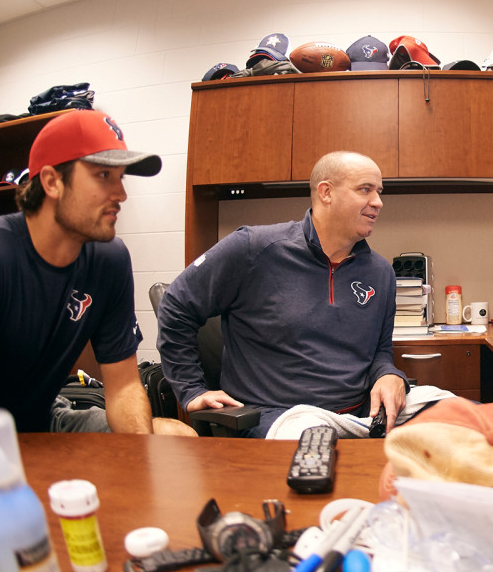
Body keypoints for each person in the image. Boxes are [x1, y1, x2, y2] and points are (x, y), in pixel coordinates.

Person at [0, 110, 193, 436]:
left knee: (175, 438)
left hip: (44, 418)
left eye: (120, 177)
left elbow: (123, 387)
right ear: (52, 181)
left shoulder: (109, 259)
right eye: (103, 176)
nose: (121, 194)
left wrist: (138, 460)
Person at [156, 150, 409, 437]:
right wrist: (191, 391)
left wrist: (389, 374)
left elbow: (379, 352)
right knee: (316, 444)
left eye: (379, 191)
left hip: (362, 413)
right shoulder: (252, 248)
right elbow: (175, 306)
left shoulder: (380, 273)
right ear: (326, 192)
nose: (378, 202)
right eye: (365, 190)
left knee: (456, 414)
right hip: (279, 417)